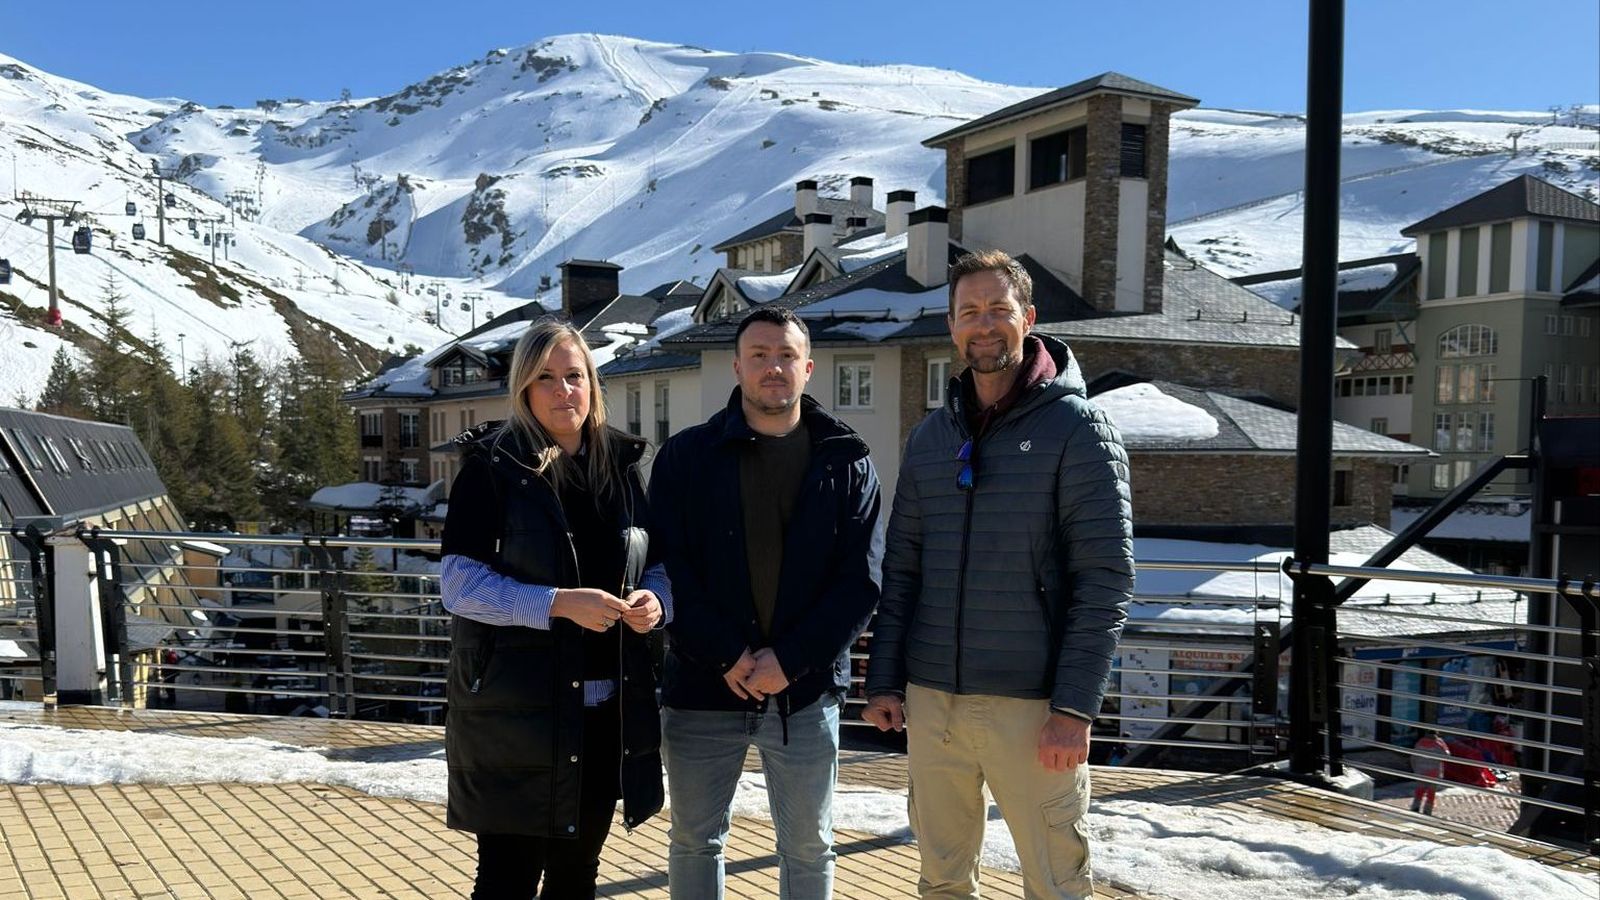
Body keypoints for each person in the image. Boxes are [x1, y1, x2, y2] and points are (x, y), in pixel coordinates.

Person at [863, 249, 1134, 900]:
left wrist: (1073, 708)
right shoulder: (931, 437)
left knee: (1055, 884)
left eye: (998, 310)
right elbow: (902, 568)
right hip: (934, 706)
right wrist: (884, 680)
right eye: (969, 313)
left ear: (1029, 318)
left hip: (1034, 709)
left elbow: (1106, 579)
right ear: (952, 329)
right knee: (942, 880)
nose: (984, 325)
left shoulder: (1080, 429)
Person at [650, 306, 884, 900]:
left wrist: (791, 660)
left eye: (785, 356)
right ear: (737, 367)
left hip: (804, 695)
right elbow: (669, 568)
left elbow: (861, 581)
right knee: (695, 841)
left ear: (808, 368)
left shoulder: (849, 463)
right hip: (703, 687)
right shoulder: (685, 457)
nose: (772, 368)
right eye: (758, 356)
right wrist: (729, 654)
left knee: (809, 846)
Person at [440, 318, 670, 900]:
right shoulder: (492, 468)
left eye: (574, 376)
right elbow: (459, 584)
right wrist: (558, 604)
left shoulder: (619, 469)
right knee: (507, 880)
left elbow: (660, 565)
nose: (563, 391)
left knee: (576, 876)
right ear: (523, 387)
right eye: (546, 378)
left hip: (603, 712)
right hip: (519, 713)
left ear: (593, 384)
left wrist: (655, 603)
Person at [1411, 731, 1450, 815]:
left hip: (1421, 771)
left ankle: (1415, 807)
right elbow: (1447, 756)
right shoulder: (1438, 745)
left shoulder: (1420, 743)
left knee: (1419, 790)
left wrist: (1415, 769)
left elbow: (1413, 757)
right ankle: (1427, 811)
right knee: (1431, 793)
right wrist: (1444, 745)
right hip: (1433, 772)